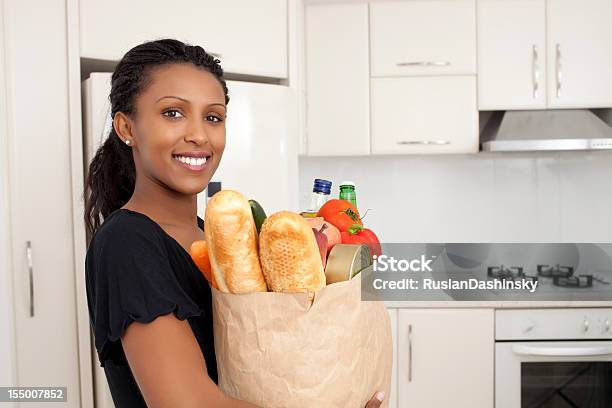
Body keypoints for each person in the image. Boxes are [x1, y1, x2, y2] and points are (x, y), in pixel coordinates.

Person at [84, 39, 386, 408]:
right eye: (173, 113)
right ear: (126, 127)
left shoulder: (208, 238)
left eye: (213, 117)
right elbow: (187, 403)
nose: (199, 135)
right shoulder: (127, 242)